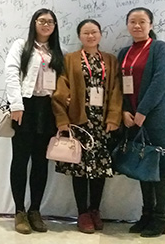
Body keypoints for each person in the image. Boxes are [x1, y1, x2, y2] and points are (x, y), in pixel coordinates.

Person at [51, 19, 122, 234]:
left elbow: (117, 90)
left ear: (100, 34)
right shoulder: (70, 59)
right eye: (85, 33)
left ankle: (95, 210)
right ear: (79, 36)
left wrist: (113, 117)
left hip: (102, 122)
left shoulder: (110, 60)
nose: (90, 36)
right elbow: (60, 89)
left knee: (100, 168)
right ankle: (82, 213)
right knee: (79, 168)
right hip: (78, 122)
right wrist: (63, 119)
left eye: (94, 32)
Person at [117, 7, 165, 238]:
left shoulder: (159, 48)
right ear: (127, 25)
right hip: (132, 117)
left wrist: (143, 110)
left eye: (142, 21)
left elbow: (160, 80)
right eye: (132, 21)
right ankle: (147, 214)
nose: (137, 25)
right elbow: (121, 84)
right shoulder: (124, 53)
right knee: (143, 162)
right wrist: (125, 110)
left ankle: (162, 218)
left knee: (160, 164)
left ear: (151, 25)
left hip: (156, 117)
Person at [4, 8, 65, 234]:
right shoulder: (22, 46)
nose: (46, 25)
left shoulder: (58, 51)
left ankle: (35, 211)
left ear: (55, 26)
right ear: (34, 23)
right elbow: (11, 73)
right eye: (42, 21)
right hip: (25, 107)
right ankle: (19, 211)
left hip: (48, 109)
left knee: (41, 162)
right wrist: (16, 105)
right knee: (20, 160)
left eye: (51, 22)